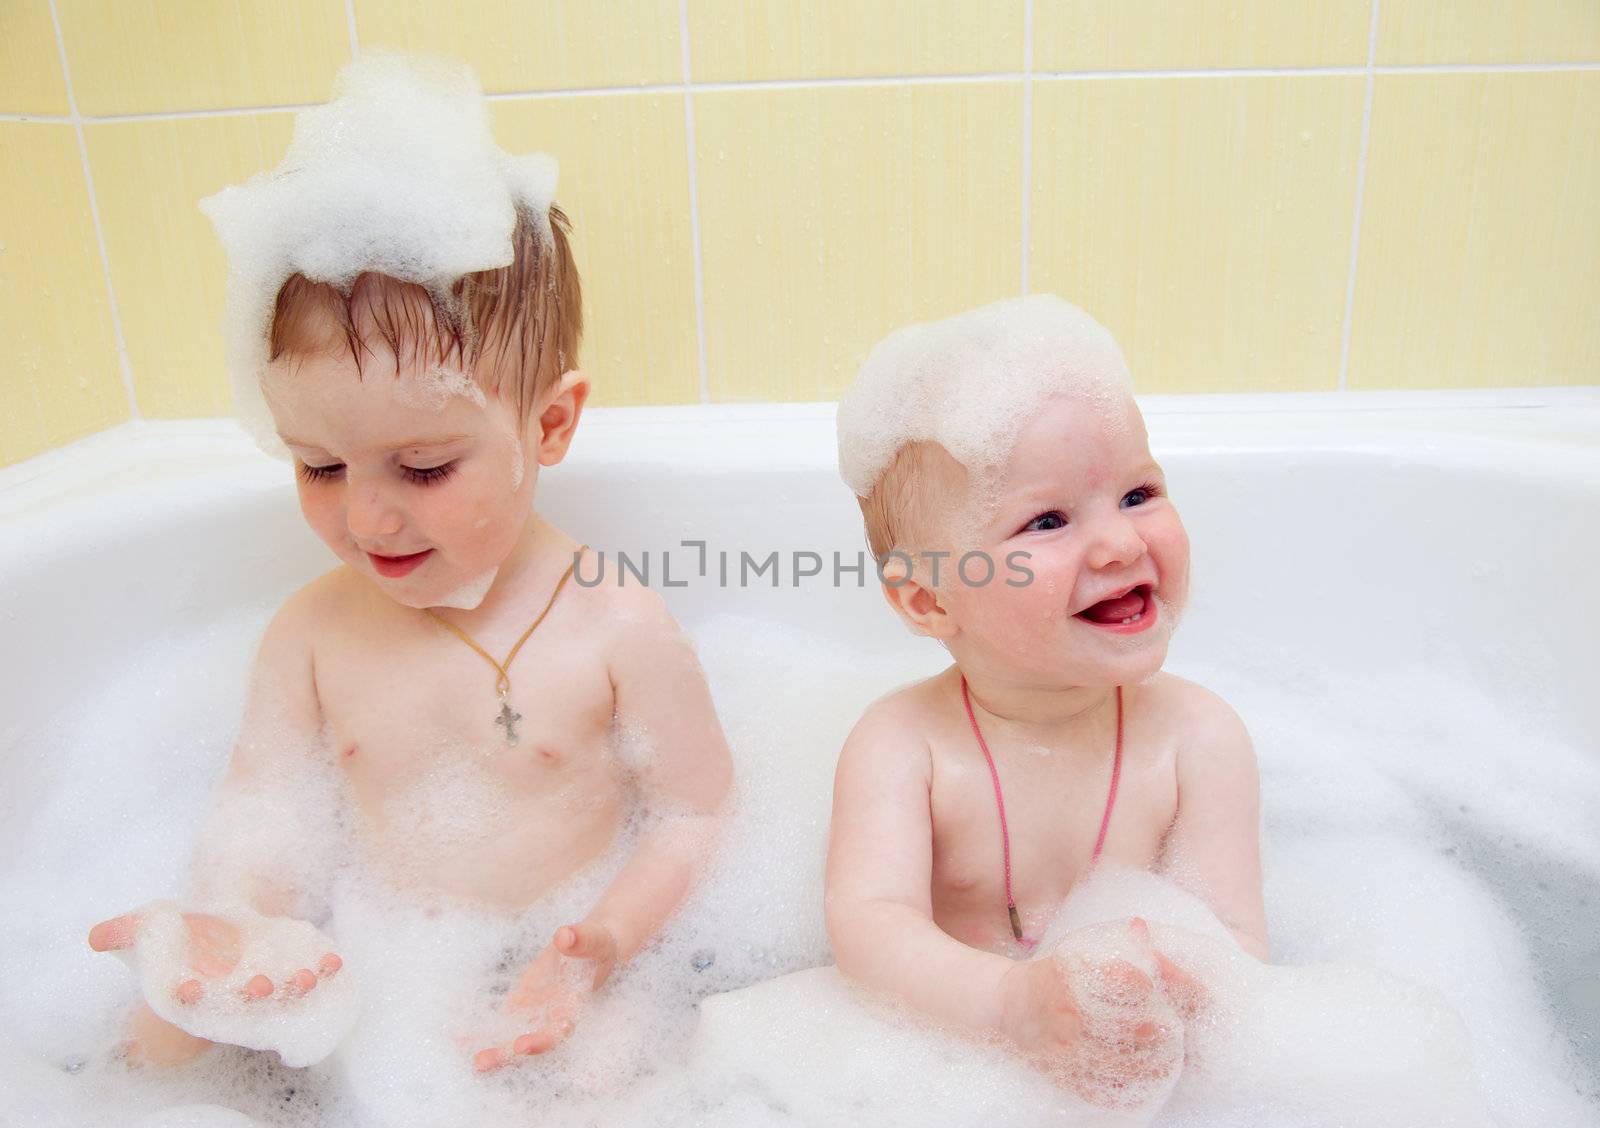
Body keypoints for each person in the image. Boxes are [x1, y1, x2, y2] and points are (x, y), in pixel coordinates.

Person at [87, 55, 732, 1075]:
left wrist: (600, 945)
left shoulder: (615, 621)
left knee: (613, 1074)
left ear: (550, 423)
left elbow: (698, 811)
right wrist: (243, 921)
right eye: (319, 466)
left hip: (573, 964)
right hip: (381, 967)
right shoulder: (310, 633)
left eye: (424, 466)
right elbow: (259, 818)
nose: (366, 514)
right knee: (163, 1034)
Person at [824, 295, 1268, 1101]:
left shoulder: (1199, 740)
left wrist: (1179, 1000)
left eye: (1140, 494)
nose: (1121, 542)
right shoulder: (901, 748)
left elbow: (1233, 943)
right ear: (929, 602)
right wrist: (1009, 1006)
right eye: (1049, 519)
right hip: (946, 1068)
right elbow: (869, 928)